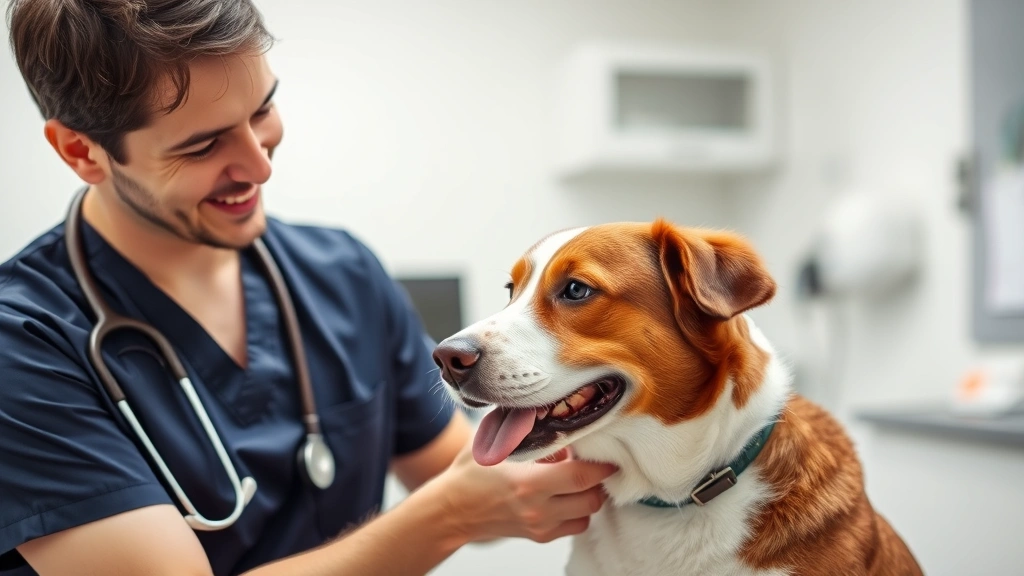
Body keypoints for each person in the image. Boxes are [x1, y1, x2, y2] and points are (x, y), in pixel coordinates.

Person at [0, 1, 617, 575]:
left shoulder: (343, 274)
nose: (260, 164)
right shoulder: (24, 344)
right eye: (204, 144)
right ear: (82, 151)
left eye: (262, 109)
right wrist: (450, 514)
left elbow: (461, 470)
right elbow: (455, 501)